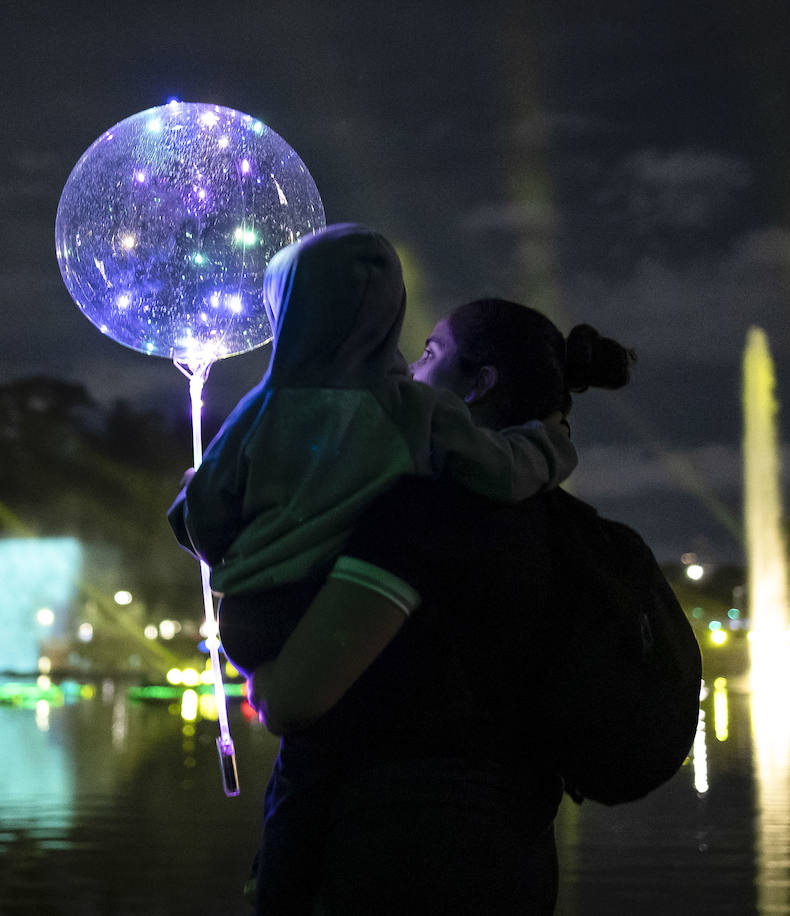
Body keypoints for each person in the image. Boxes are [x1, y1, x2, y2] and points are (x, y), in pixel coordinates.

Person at [246, 298, 636, 914]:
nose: (409, 370)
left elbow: (292, 701)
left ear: (479, 385)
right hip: (516, 858)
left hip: (392, 861)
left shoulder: (422, 513)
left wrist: (256, 663)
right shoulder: (557, 524)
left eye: (431, 353)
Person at [168, 224, 576, 674]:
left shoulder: (257, 410)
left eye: (430, 352)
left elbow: (205, 514)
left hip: (250, 616)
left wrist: (193, 496)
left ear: (286, 309)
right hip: (344, 615)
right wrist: (547, 442)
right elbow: (502, 469)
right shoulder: (415, 409)